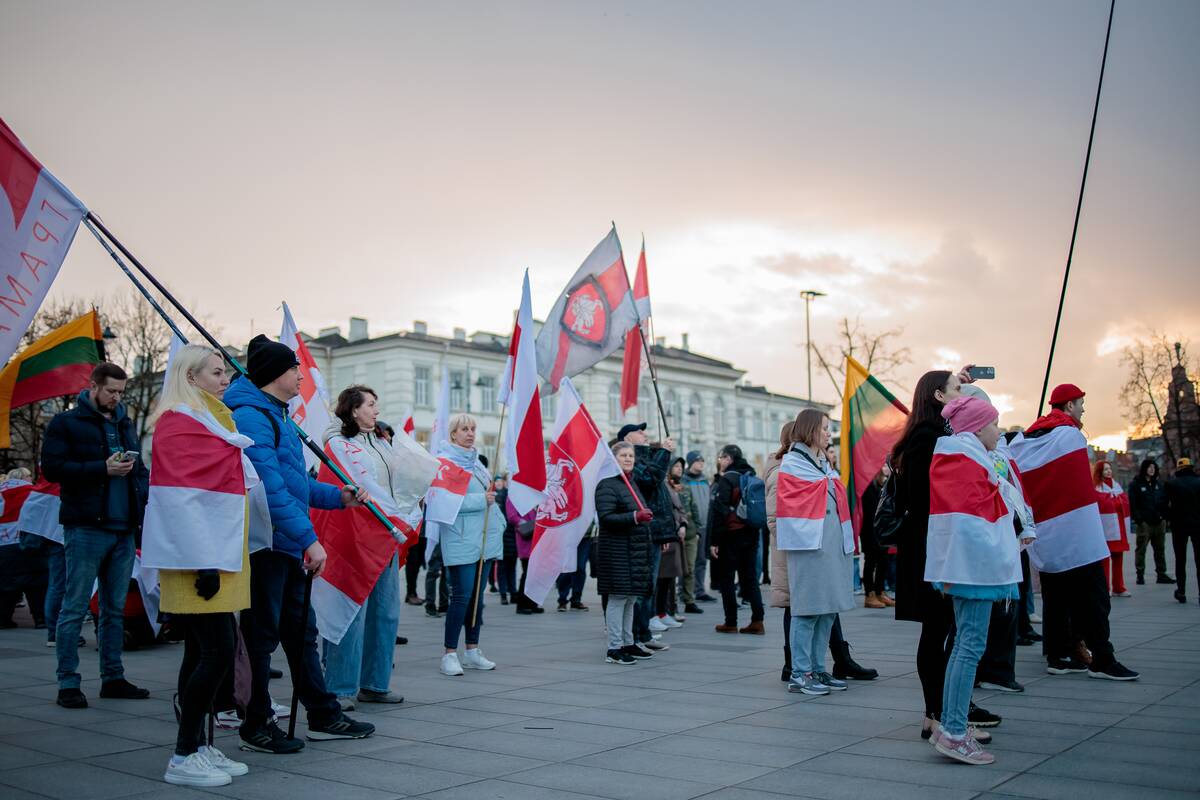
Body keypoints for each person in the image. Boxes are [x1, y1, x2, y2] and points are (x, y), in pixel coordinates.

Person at [224, 335, 375, 753]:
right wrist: (310, 539)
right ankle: (256, 724)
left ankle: (323, 714)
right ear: (276, 374)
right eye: (295, 368)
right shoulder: (253, 416)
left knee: (300, 633)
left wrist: (337, 497)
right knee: (262, 636)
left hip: (285, 541)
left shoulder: (276, 413)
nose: (300, 374)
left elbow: (295, 484)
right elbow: (269, 490)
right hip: (267, 543)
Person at [141, 345, 252, 786]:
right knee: (216, 651)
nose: (225, 379)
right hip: (199, 558)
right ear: (191, 378)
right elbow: (180, 499)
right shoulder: (180, 423)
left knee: (206, 651)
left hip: (215, 552)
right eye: (217, 372)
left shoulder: (209, 419)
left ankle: (200, 745)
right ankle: (184, 755)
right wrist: (204, 559)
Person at [892, 368, 1002, 737]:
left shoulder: (932, 435)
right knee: (937, 629)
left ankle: (940, 712)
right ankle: (940, 714)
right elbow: (929, 499)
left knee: (941, 628)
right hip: (930, 547)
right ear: (938, 398)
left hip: (932, 544)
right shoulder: (928, 439)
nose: (962, 395)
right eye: (956, 389)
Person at [1010, 383, 1138, 681]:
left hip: (1048, 533)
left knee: (1057, 598)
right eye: (1080, 404)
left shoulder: (1030, 437)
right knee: (1094, 597)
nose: (1082, 410)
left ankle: (1058, 654)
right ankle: (1103, 659)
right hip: (1078, 534)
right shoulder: (1069, 435)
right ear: (1068, 406)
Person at [41, 362, 151, 709]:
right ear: (93, 386)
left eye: (121, 392)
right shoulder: (66, 423)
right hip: (86, 526)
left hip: (122, 528)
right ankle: (68, 683)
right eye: (111, 392)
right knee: (74, 607)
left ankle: (113, 677)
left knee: (114, 609)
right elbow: (53, 469)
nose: (116, 398)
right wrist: (101, 468)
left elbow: (142, 474)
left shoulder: (125, 422)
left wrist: (140, 485)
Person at [926, 395, 1029, 765]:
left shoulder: (959, 456)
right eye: (994, 424)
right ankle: (954, 731)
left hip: (963, 566)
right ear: (977, 427)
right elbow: (981, 516)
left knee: (963, 647)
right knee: (969, 646)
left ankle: (952, 724)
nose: (998, 432)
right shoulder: (967, 460)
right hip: (973, 568)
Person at [320, 385, 415, 709]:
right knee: (351, 612)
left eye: (376, 404)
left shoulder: (379, 442)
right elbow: (350, 490)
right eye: (371, 404)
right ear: (353, 409)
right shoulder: (338, 445)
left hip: (387, 535)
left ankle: (375, 683)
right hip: (357, 538)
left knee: (386, 612)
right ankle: (341, 686)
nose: (376, 410)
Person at [774, 411, 855, 695]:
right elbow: (793, 503)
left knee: (827, 611)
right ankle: (800, 672)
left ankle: (818, 668)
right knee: (807, 610)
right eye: (824, 428)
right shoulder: (794, 463)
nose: (827, 433)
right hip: (809, 547)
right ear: (810, 430)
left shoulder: (821, 462)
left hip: (830, 548)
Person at [435, 414, 504, 676]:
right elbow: (442, 503)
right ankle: (449, 653)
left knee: (478, 600)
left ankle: (472, 650)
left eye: (473, 429)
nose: (470, 433)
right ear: (453, 434)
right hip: (461, 539)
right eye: (464, 429)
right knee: (461, 598)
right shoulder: (445, 463)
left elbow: (489, 499)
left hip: (484, 539)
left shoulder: (477, 464)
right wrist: (481, 501)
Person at [595, 442, 655, 664]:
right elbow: (607, 516)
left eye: (631, 455)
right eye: (623, 455)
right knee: (618, 598)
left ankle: (629, 642)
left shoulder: (632, 484)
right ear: (614, 458)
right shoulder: (607, 485)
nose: (629, 458)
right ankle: (614, 648)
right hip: (616, 552)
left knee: (631, 599)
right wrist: (634, 517)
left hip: (635, 551)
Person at [621, 423, 675, 650]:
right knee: (642, 587)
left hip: (654, 533)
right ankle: (635, 635)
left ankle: (643, 633)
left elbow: (660, 497)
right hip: (642, 533)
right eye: (639, 431)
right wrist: (664, 453)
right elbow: (649, 479)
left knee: (649, 586)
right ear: (627, 437)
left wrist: (663, 535)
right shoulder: (635, 461)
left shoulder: (647, 457)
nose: (645, 434)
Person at [708, 443, 765, 634]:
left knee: (727, 579)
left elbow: (720, 510)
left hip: (730, 535)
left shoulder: (728, 479)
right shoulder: (750, 476)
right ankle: (757, 621)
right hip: (751, 533)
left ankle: (730, 622)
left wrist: (714, 541)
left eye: (722, 457)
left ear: (729, 459)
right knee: (750, 579)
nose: (720, 461)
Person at [1129, 459, 1173, 585]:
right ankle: (1140, 575)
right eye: (1149, 467)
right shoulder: (1136, 484)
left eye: (1154, 467)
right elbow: (1133, 504)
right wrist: (1139, 520)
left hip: (1159, 522)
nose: (1152, 469)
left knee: (1160, 549)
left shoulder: (1159, 484)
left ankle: (1161, 574)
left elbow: (1165, 501)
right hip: (1145, 524)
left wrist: (1164, 517)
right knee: (1141, 549)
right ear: (1144, 469)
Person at [1163, 457, 1200, 604]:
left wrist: (1170, 516)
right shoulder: (1198, 483)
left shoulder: (1171, 484)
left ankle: (1181, 591)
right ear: (1191, 467)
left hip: (1179, 526)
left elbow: (1161, 504)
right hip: (1198, 525)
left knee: (1180, 559)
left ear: (1178, 469)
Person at [669, 458, 702, 615]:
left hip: (689, 534)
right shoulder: (665, 487)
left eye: (681, 466)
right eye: (676, 466)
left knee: (689, 568)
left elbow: (693, 508)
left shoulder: (687, 487)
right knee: (671, 571)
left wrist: (698, 531)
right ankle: (671, 604)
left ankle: (689, 600)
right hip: (673, 536)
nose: (679, 469)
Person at [1093, 460, 1131, 597]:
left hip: (1119, 529)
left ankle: (1119, 587)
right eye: (1105, 469)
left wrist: (1114, 500)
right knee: (1105, 561)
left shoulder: (1117, 486)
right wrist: (1115, 500)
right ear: (1100, 472)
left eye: (1109, 469)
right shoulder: (1097, 488)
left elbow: (1124, 502)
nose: (1108, 471)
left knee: (1118, 559)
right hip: (1106, 530)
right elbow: (1105, 504)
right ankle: (1105, 587)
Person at [683, 452, 716, 603]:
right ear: (690, 463)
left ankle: (700, 590)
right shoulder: (684, 481)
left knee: (702, 560)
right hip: (690, 527)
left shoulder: (705, 480)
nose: (701, 463)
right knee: (687, 562)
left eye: (702, 460)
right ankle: (683, 591)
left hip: (705, 526)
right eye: (698, 461)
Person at [859, 466, 892, 609]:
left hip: (880, 531)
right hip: (869, 532)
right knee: (870, 562)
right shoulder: (867, 486)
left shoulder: (881, 485)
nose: (885, 469)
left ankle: (879, 591)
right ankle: (869, 594)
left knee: (883, 561)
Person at [509, 497, 542, 615]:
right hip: (526, 538)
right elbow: (512, 516)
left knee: (535, 574)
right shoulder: (514, 496)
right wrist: (527, 524)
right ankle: (522, 604)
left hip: (537, 538)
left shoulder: (534, 495)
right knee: (527, 573)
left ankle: (532, 603)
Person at [555, 524, 592, 612]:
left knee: (580, 568)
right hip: (567, 536)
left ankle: (576, 600)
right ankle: (562, 600)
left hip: (585, 537)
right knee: (566, 569)